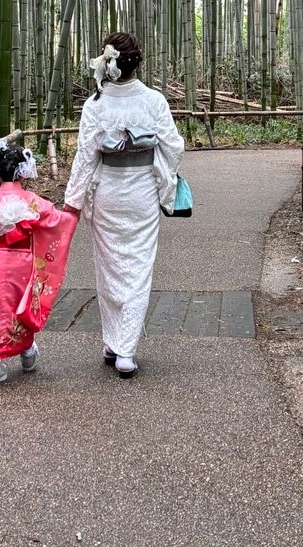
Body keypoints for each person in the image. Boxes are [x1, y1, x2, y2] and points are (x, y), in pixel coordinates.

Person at [64, 32, 184, 376]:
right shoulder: (154, 101)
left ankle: (114, 342)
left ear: (108, 62)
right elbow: (173, 147)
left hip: (108, 196)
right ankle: (126, 350)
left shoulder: (96, 105)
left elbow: (85, 157)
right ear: (136, 63)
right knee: (138, 269)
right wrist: (165, 175)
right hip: (142, 194)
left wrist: (72, 202)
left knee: (109, 269)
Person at [0, 139, 78, 385]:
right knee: (23, 305)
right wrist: (73, 213)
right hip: (24, 262)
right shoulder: (33, 201)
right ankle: (27, 351)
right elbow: (56, 221)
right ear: (23, 172)